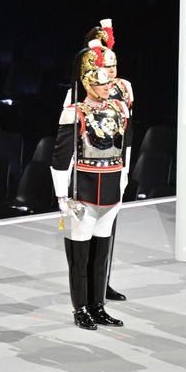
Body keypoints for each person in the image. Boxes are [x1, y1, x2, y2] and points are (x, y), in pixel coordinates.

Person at [52, 41, 129, 330]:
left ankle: (98, 306)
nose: (109, 87)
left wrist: (122, 180)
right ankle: (81, 308)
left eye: (109, 82)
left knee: (101, 253)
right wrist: (62, 197)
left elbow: (122, 148)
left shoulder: (119, 108)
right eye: (102, 83)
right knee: (80, 255)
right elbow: (60, 159)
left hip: (110, 187)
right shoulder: (75, 112)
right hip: (83, 190)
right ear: (88, 84)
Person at [63, 19, 134, 300]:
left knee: (107, 227)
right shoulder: (81, 93)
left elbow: (127, 132)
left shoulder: (124, 89)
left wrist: (125, 167)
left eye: (114, 66)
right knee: (87, 230)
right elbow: (70, 136)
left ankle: (103, 281)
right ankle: (87, 291)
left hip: (113, 163)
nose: (112, 71)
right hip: (88, 166)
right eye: (106, 66)